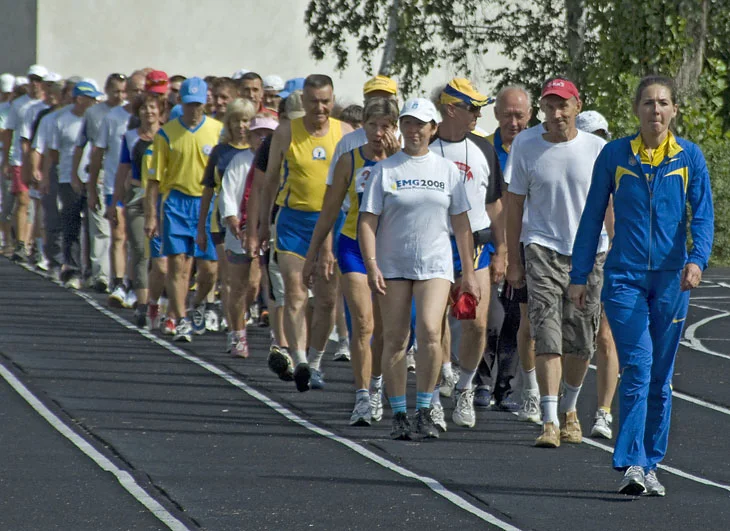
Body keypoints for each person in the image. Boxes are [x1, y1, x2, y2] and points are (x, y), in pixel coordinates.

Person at [569, 75, 713, 496]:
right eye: (648, 102)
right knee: (639, 365)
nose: (656, 110)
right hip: (624, 278)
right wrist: (580, 276)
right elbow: (592, 216)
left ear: (674, 111)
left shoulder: (690, 157)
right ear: (636, 110)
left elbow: (703, 216)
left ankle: (651, 463)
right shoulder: (615, 155)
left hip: (671, 281)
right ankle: (632, 461)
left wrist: (696, 260)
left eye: (663, 103)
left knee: (661, 378)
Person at [359, 98, 479, 440]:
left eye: (420, 125)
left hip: (435, 263)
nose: (414, 131)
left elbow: (461, 225)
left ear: (433, 129)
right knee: (396, 338)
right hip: (393, 263)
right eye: (408, 124)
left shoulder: (447, 171)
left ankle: (425, 408)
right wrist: (371, 265)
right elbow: (367, 222)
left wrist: (468, 272)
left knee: (429, 330)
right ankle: (399, 412)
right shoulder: (386, 170)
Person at [505, 77, 609, 448]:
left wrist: (614, 253)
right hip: (542, 248)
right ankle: (549, 420)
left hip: (589, 252)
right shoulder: (526, 144)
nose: (556, 113)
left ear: (577, 106)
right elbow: (514, 203)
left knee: (581, 341)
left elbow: (610, 206)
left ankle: (569, 410)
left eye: (563, 105)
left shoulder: (598, 148)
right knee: (546, 333)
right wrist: (513, 258)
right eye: (549, 106)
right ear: (542, 110)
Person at [303, 97, 399, 425]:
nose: (378, 132)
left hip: (391, 251)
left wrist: (399, 156)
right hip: (353, 246)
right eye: (372, 125)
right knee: (364, 323)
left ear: (395, 128)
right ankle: (361, 397)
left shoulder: (404, 161)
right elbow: (329, 210)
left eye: (385, 126)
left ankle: (376, 386)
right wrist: (313, 254)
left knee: (387, 330)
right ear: (364, 127)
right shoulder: (350, 160)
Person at [254, 75, 353, 392]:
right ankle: (299, 362)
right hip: (293, 221)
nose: (320, 108)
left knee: (325, 301)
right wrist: (262, 226)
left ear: (332, 100)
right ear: (304, 101)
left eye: (325, 101)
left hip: (332, 224)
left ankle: (316, 361)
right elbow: (269, 182)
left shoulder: (345, 133)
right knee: (295, 293)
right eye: (314, 102)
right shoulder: (286, 132)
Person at [428, 78, 505, 430]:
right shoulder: (425, 145)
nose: (478, 114)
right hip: (432, 244)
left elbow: (496, 205)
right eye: (472, 108)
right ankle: (431, 395)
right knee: (432, 325)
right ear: (450, 109)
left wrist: (502, 250)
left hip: (475, 247)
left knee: (476, 325)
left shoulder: (484, 149)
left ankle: (463, 386)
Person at [145, 77, 223, 342]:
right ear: (181, 102)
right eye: (189, 104)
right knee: (179, 265)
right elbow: (154, 180)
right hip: (176, 203)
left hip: (208, 203)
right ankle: (181, 320)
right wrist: (152, 216)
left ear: (205, 103)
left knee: (210, 268)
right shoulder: (166, 134)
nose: (193, 110)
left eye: (198, 105)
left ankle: (196, 303)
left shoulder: (218, 131)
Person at [478, 85, 534, 414]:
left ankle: (506, 386)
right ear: (496, 114)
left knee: (516, 318)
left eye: (520, 115)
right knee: (489, 316)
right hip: (489, 242)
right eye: (507, 114)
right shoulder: (483, 149)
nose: (513, 121)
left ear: (529, 116)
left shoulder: (535, 146)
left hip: (526, 242)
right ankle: (482, 381)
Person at [575, 109, 619, 440]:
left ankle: (603, 411)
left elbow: (614, 212)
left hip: (605, 256)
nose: (599, 143)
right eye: (594, 136)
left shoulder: (614, 168)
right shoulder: (568, 163)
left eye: (603, 136)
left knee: (606, 335)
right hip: (569, 256)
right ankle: (565, 406)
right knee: (576, 339)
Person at [198, 98, 257, 348]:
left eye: (246, 120)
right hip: (223, 223)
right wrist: (201, 226)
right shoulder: (220, 152)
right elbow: (209, 191)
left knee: (253, 283)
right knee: (231, 280)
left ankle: (241, 314)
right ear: (228, 122)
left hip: (254, 222)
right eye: (236, 120)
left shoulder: (259, 151)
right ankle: (236, 333)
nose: (241, 125)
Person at [218, 114, 278, 357]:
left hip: (269, 230)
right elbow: (227, 194)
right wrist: (232, 220)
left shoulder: (278, 160)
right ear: (250, 136)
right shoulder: (239, 161)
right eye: (258, 134)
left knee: (261, 285)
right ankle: (237, 336)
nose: (262, 139)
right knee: (238, 285)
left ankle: (278, 337)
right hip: (240, 231)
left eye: (267, 134)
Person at [108, 91, 167, 328]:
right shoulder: (131, 136)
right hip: (136, 196)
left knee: (161, 258)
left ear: (160, 110)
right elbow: (123, 170)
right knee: (140, 250)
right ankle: (142, 306)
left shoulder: (168, 135)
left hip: (163, 197)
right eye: (144, 108)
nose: (149, 112)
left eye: (153, 107)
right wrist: (115, 203)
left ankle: (157, 300)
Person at [72, 72, 127, 293]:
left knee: (122, 233)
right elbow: (82, 144)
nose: (120, 95)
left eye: (123, 91)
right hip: (101, 173)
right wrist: (77, 174)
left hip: (125, 176)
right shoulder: (94, 113)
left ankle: (120, 277)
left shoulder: (130, 113)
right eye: (116, 91)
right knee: (102, 229)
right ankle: (101, 275)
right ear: (107, 90)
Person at [49, 81, 102, 288]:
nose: (95, 102)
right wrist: (68, 173)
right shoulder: (61, 119)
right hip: (68, 179)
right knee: (71, 224)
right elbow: (53, 151)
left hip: (93, 178)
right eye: (91, 98)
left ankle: (89, 270)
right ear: (80, 99)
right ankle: (71, 268)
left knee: (93, 226)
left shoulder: (98, 118)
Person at [2, 64, 49, 263]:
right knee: (23, 199)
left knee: (37, 203)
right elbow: (10, 132)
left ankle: (33, 242)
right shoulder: (19, 104)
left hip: (41, 158)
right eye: (32, 80)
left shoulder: (48, 106)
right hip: (19, 158)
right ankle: (20, 242)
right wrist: (6, 160)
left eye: (38, 80)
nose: (35, 84)